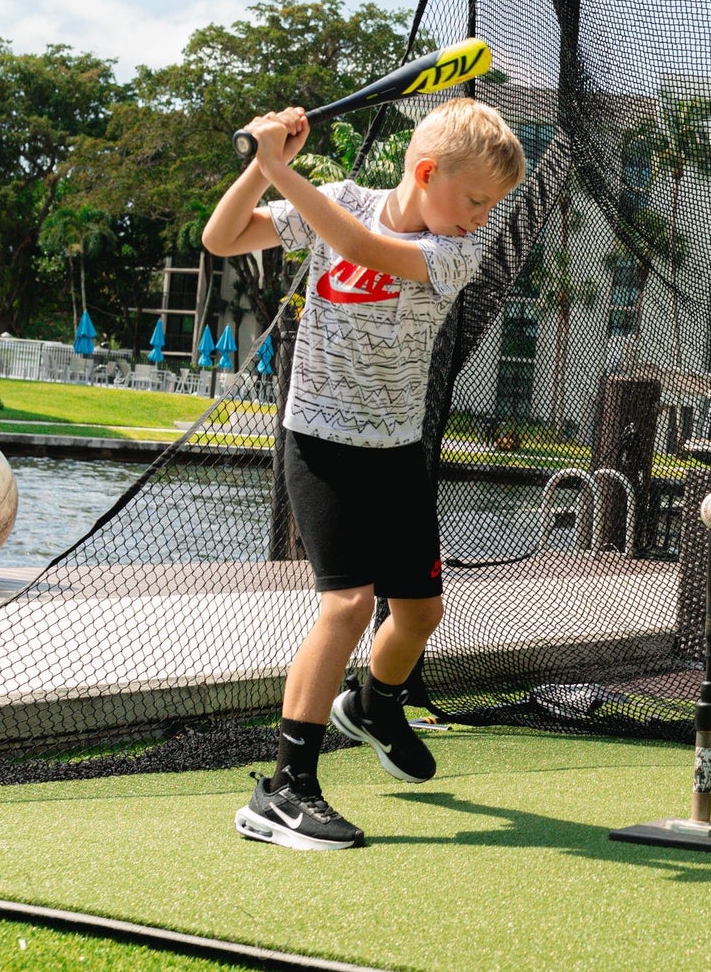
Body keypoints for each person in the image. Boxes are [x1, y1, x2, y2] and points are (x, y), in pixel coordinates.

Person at [201, 96, 526, 850]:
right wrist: (263, 165)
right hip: (320, 440)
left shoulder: (455, 251)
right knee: (348, 604)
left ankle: (375, 703)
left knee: (418, 613)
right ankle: (284, 788)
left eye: (492, 205)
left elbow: (363, 247)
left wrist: (285, 170)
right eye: (475, 198)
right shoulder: (338, 199)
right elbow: (221, 238)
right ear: (424, 171)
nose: (482, 215)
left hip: (396, 448)